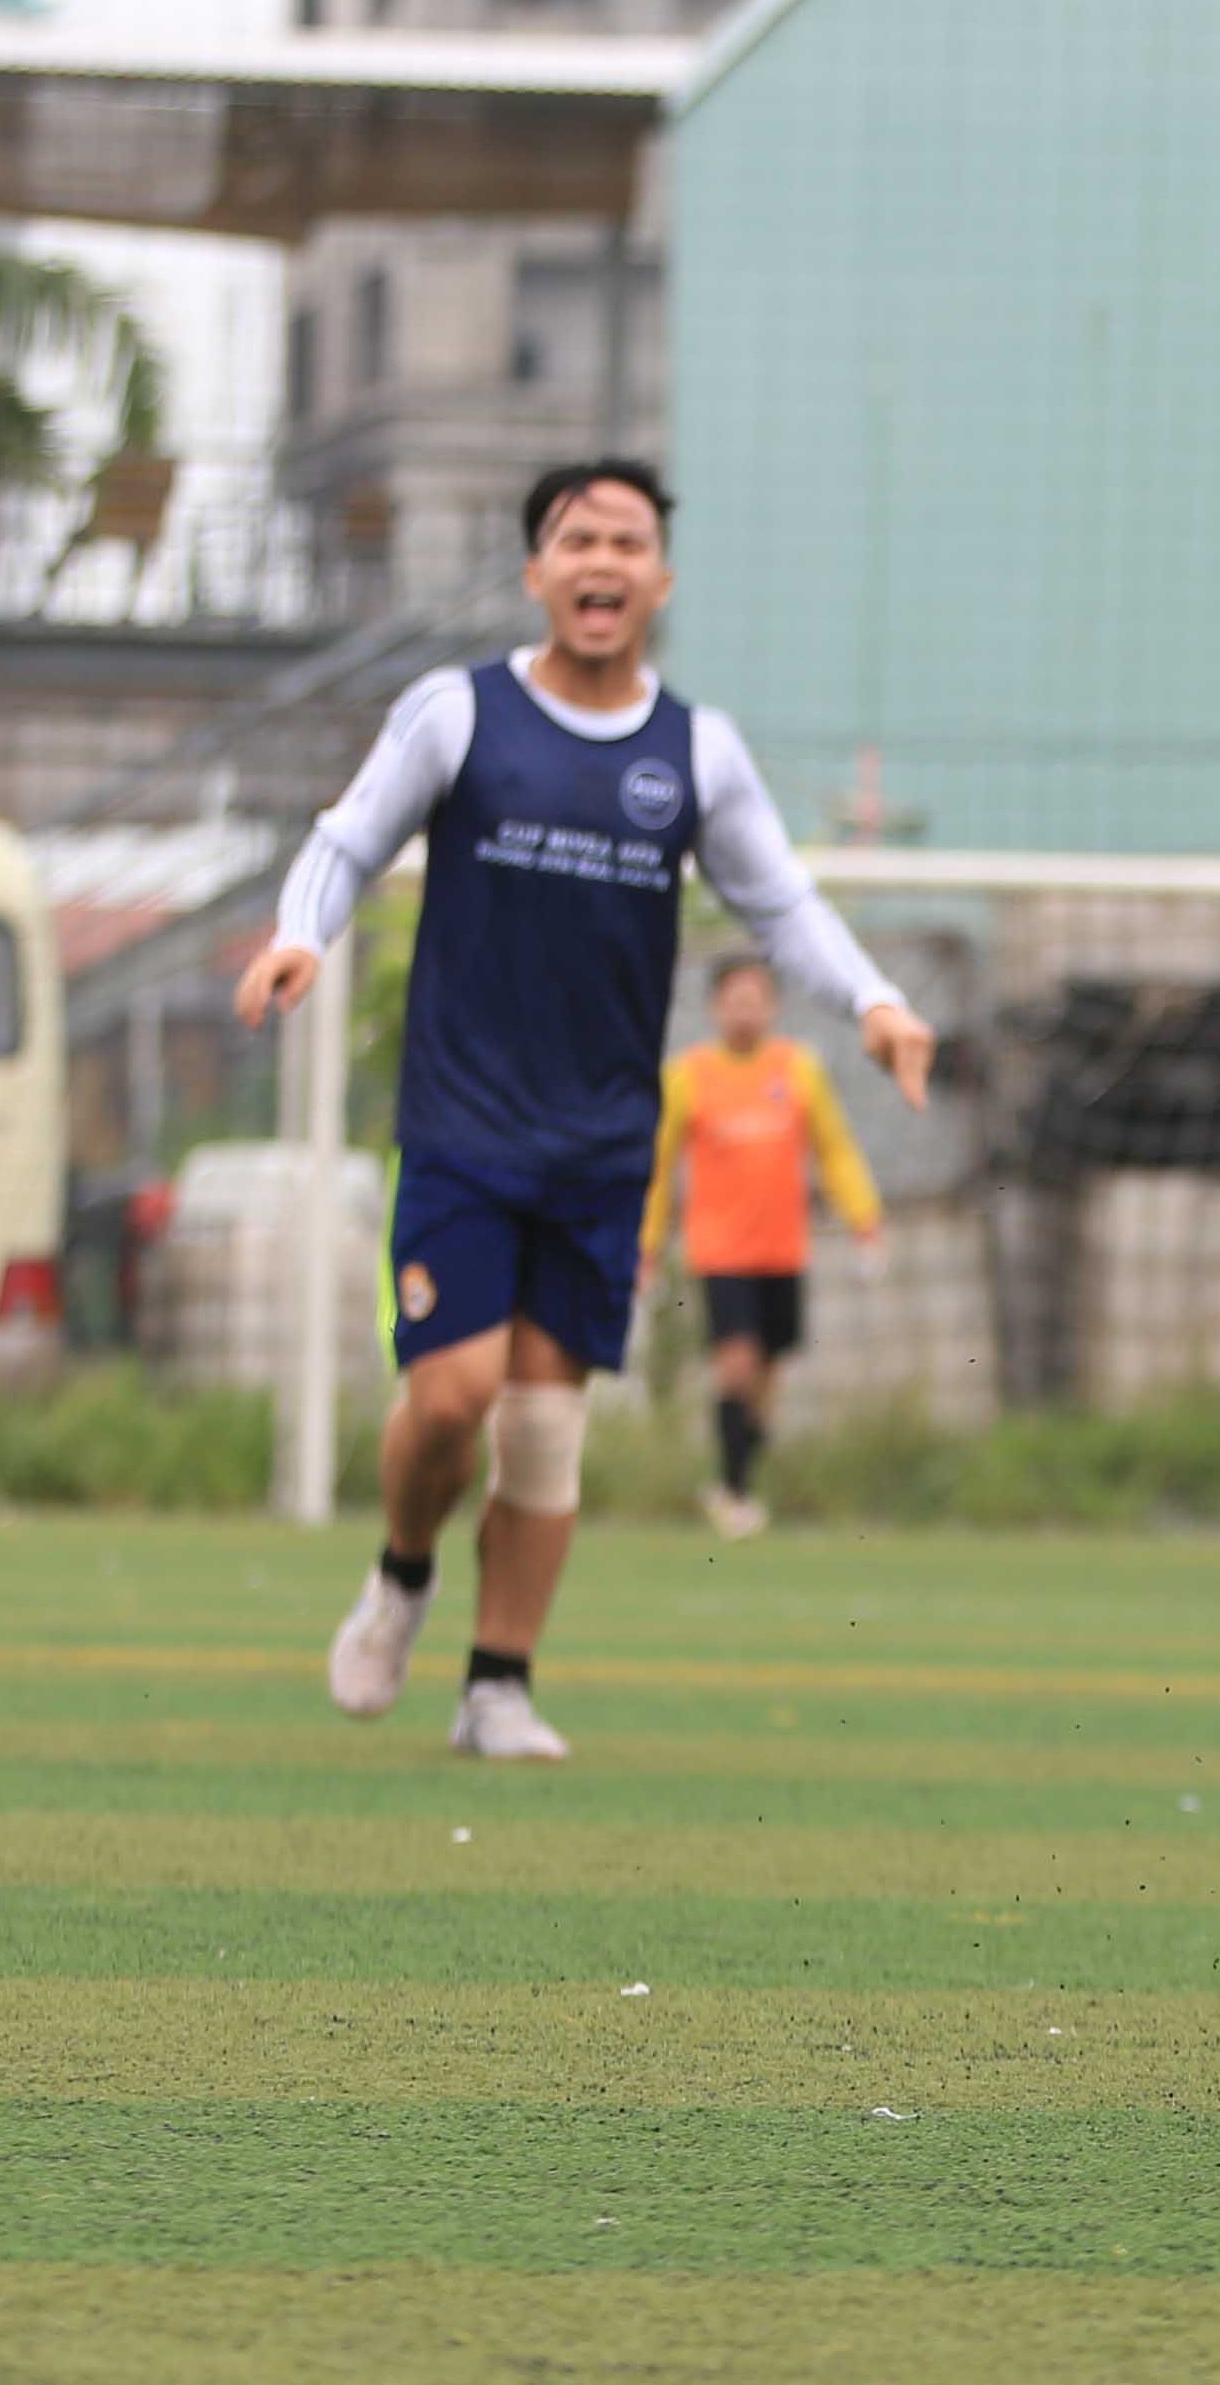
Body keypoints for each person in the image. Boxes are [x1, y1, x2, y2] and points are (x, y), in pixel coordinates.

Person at [237, 460, 935, 1761]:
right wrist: (299, 935)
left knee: (546, 1429)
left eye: (626, 542)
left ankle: (497, 1686)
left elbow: (781, 904)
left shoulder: (698, 752)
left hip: (602, 1142)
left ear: (659, 580)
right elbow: (348, 838)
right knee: (454, 1398)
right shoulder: (458, 713)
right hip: (462, 1126)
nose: (601, 561)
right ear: (537, 573)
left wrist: (877, 1002)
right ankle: (402, 1573)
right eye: (577, 540)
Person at [638, 950, 887, 1542]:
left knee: (767, 1375)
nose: (745, 1011)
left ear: (773, 1007)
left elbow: (834, 1149)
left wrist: (864, 1219)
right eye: (734, 1000)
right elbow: (658, 1167)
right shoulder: (688, 1076)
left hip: (783, 1249)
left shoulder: (798, 1070)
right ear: (715, 1007)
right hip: (720, 1251)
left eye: (755, 1000)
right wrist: (647, 1245)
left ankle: (740, 1476)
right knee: (737, 1363)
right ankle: (733, 1491)